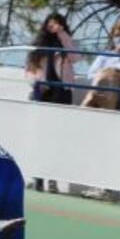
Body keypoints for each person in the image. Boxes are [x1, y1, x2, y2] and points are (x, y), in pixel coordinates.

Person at [25, 13, 80, 192]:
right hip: (43, 92)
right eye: (50, 24)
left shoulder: (65, 42)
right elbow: (29, 70)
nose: (53, 27)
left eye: (57, 24)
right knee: (41, 134)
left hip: (62, 92)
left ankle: (53, 179)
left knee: (58, 136)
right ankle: (38, 177)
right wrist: (37, 83)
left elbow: (75, 57)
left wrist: (62, 35)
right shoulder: (38, 47)